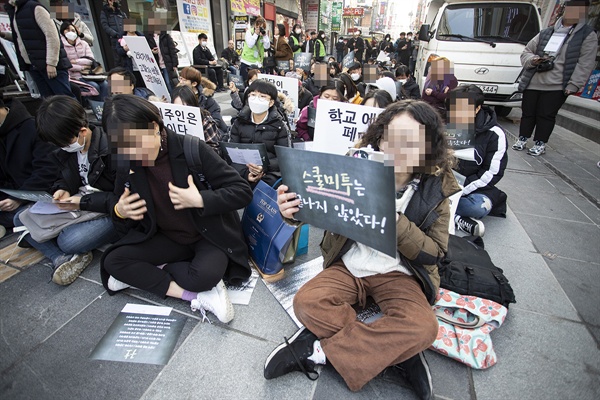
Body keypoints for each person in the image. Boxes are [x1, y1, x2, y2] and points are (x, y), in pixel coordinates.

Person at [264, 100, 460, 400]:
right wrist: (290, 211)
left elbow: (434, 253)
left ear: (427, 147)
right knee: (307, 302)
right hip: (349, 263)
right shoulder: (352, 169)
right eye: (392, 138)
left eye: (412, 142)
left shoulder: (437, 189)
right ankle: (398, 353)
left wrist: (394, 222)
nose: (399, 149)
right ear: (380, 138)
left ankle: (317, 350)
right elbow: (315, 207)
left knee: (423, 329)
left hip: (400, 273)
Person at [100, 94, 253, 323]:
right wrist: (120, 210)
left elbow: (241, 191)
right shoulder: (127, 160)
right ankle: (191, 295)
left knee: (204, 277)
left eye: (136, 143)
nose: (133, 153)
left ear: (153, 127)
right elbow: (117, 200)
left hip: (207, 235)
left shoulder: (191, 148)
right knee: (113, 261)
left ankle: (152, 272)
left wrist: (200, 199)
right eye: (123, 147)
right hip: (166, 236)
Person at [14, 96, 120, 285]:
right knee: (19, 217)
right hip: (81, 204)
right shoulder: (66, 150)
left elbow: (120, 198)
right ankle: (61, 258)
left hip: (111, 211)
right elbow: (63, 177)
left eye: (65, 143)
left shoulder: (111, 149)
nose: (63, 148)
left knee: (70, 241)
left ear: (83, 131)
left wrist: (81, 202)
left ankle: (52, 247)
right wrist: (61, 188)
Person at [512, 0, 597, 156]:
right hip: (534, 80)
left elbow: (586, 63)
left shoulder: (587, 35)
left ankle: (540, 143)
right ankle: (522, 138)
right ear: (564, 9)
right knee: (528, 112)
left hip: (557, 85)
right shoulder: (547, 31)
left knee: (546, 115)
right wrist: (533, 60)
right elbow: (527, 51)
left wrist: (574, 84)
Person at [447, 85, 508, 237]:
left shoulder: (494, 134)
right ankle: (455, 217)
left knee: (478, 207)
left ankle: (446, 214)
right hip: (443, 182)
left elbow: (492, 172)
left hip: (474, 187)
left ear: (477, 109)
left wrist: (459, 191)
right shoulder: (444, 125)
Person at [0, 97, 58, 237]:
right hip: (8, 199)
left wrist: (19, 198)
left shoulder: (32, 127)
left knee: (21, 217)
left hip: (35, 195)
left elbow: (47, 170)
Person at [5, 0, 74, 98]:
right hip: (34, 65)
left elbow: (52, 36)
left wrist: (51, 63)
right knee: (48, 102)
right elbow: (22, 38)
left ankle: (75, 114)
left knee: (65, 100)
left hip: (50, 65)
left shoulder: (35, 8)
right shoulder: (15, 11)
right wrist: (4, 35)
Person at [228, 80, 290, 187]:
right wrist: (245, 173)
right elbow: (231, 153)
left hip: (269, 172)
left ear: (271, 103)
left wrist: (263, 167)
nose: (256, 99)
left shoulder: (279, 126)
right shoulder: (239, 122)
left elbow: (284, 157)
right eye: (253, 95)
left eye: (262, 96)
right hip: (242, 170)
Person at [60, 22, 109, 101]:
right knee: (94, 86)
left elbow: (90, 60)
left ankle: (104, 106)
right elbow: (67, 65)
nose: (71, 32)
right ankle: (96, 107)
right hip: (75, 77)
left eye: (73, 30)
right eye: (67, 30)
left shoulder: (84, 44)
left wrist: (75, 61)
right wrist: (82, 67)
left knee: (105, 84)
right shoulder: (61, 46)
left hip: (89, 74)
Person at [170, 85, 222, 155]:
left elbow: (215, 152)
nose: (180, 112)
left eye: (185, 107)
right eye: (177, 108)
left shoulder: (206, 121)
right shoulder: (169, 121)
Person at [177, 66, 228, 133]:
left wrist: (202, 126)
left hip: (209, 133)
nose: (181, 82)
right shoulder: (178, 94)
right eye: (180, 78)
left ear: (194, 83)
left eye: (184, 80)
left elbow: (216, 118)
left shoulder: (206, 98)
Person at [144, 12, 179, 95]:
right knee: (159, 84)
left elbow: (172, 51)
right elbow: (145, 51)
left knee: (168, 82)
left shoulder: (166, 37)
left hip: (166, 64)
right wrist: (152, 52)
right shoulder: (148, 37)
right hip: (155, 65)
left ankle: (173, 98)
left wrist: (175, 64)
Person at [421, 56, 458, 122]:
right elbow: (424, 96)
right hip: (427, 110)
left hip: (442, 113)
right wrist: (440, 95)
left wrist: (433, 93)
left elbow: (447, 98)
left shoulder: (451, 80)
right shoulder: (430, 78)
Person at [240, 16, 270, 81]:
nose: (261, 30)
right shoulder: (249, 32)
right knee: (246, 82)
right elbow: (250, 44)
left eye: (263, 28)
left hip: (257, 63)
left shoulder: (263, 35)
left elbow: (267, 46)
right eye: (260, 27)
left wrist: (265, 36)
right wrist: (256, 34)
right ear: (256, 26)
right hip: (247, 61)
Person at [100, 0, 127, 69]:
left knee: (126, 59)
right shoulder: (104, 12)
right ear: (109, 1)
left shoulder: (121, 13)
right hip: (114, 39)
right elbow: (105, 26)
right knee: (117, 60)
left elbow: (127, 23)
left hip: (124, 38)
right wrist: (115, 34)